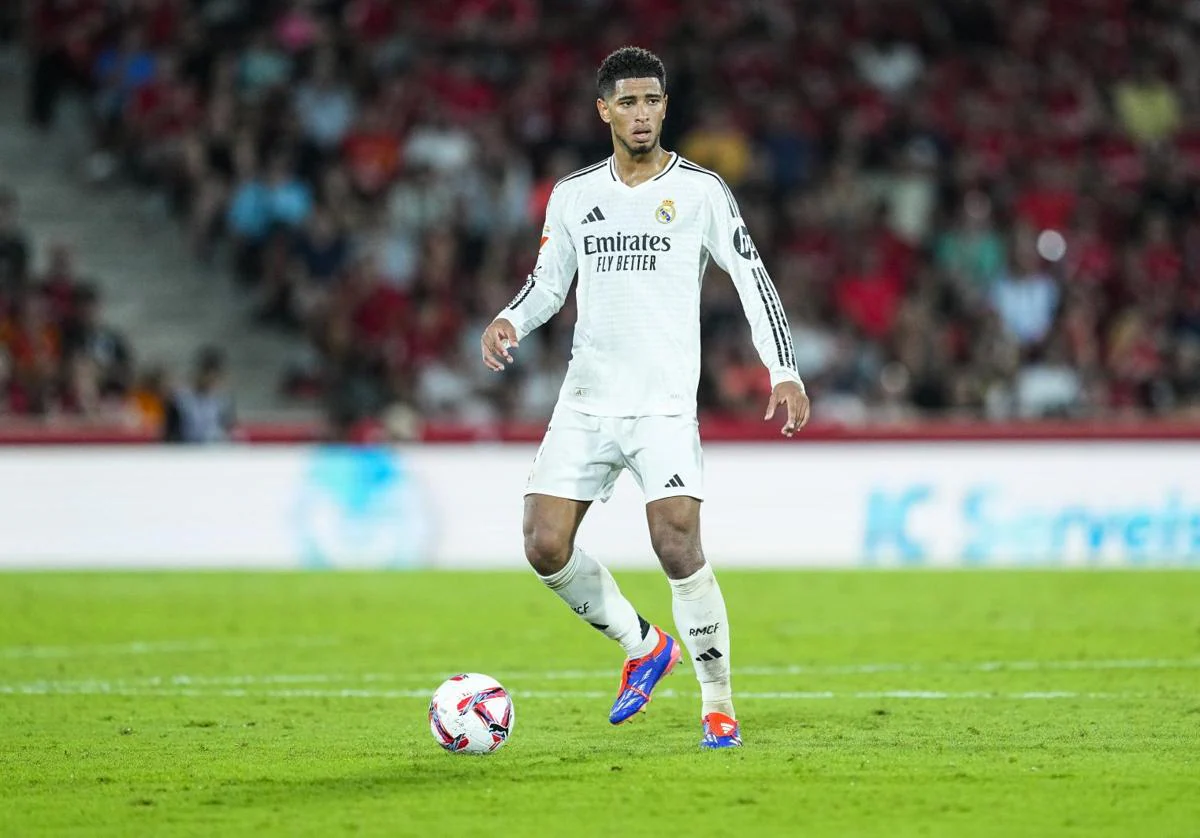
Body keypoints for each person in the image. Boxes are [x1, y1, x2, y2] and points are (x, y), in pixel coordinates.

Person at [479, 47, 810, 749]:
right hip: (586, 400)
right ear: (604, 109)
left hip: (661, 404)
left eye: (652, 101)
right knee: (543, 544)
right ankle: (642, 645)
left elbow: (753, 278)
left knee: (675, 542)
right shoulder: (574, 195)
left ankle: (717, 702)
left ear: (666, 107)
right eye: (627, 102)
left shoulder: (700, 191)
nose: (641, 114)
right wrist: (511, 317)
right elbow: (547, 283)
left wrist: (783, 368)